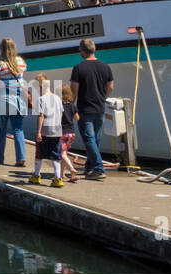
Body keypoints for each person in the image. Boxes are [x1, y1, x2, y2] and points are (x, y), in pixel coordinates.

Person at [69, 38, 114, 179]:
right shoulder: (106, 67)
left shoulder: (78, 68)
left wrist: (70, 107)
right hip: (100, 109)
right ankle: (90, 167)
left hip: (85, 109)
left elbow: (74, 91)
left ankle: (99, 169)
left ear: (83, 50)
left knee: (89, 139)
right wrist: (103, 98)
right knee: (95, 140)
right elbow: (110, 86)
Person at [0, 37, 29, 167]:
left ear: (2, 49)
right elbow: (21, 79)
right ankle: (20, 158)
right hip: (19, 99)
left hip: (3, 100)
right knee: (18, 129)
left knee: (1, 129)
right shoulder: (21, 62)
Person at [28, 74, 64, 187]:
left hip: (45, 131)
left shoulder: (41, 99)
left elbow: (41, 116)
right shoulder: (57, 98)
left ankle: (36, 176)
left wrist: (38, 132)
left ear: (40, 87)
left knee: (39, 154)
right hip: (57, 131)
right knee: (56, 155)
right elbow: (61, 112)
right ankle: (58, 179)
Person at [59, 83, 80, 183]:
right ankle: (62, 174)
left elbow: (58, 118)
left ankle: (72, 169)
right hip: (71, 133)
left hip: (63, 133)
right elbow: (77, 118)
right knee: (65, 153)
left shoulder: (60, 106)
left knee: (62, 154)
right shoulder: (72, 106)